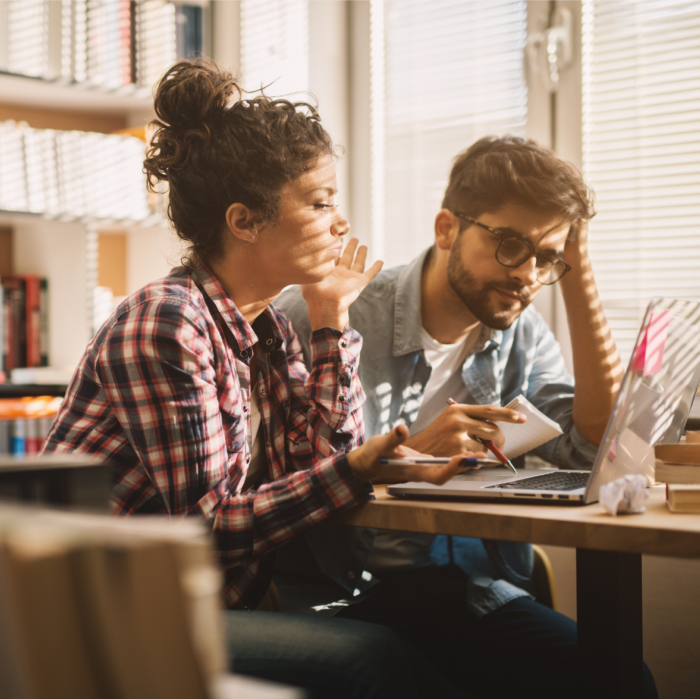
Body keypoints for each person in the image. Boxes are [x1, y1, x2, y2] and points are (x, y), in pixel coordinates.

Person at [42, 58, 475, 698]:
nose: (341, 223)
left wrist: (330, 317)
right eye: (322, 202)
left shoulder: (264, 329)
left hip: (204, 605)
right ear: (244, 221)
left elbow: (316, 463)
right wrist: (356, 470)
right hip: (100, 615)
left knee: (436, 636)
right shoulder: (169, 323)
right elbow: (209, 530)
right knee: (372, 658)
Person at [274, 135, 659, 699]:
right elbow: (277, 483)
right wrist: (410, 456)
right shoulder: (325, 312)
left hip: (466, 589)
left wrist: (578, 271)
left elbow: (594, 444)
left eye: (546, 257)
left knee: (619, 678)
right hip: (343, 591)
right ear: (447, 229)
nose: (527, 273)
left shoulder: (520, 333)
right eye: (509, 244)